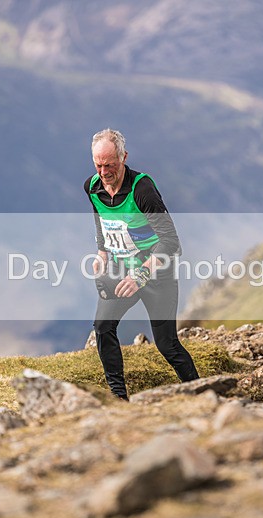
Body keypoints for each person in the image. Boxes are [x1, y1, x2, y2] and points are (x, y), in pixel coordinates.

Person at [85, 128, 199, 400]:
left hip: (157, 275)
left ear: (123, 157)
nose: (104, 171)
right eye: (98, 165)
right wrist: (102, 252)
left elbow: (171, 242)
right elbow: (100, 220)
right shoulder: (92, 187)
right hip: (122, 273)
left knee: (167, 345)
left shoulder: (142, 189)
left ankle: (203, 394)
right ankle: (119, 399)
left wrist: (142, 274)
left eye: (110, 164)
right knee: (103, 327)